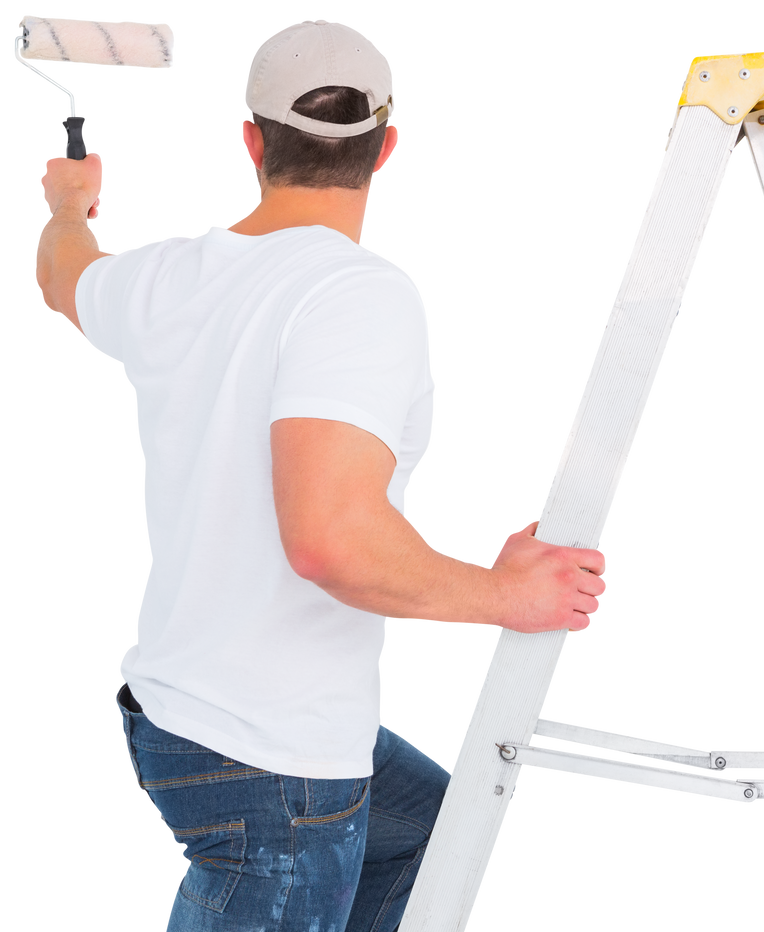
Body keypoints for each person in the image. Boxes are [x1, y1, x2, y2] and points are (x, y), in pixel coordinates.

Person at [45, 18, 608, 931]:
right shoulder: (359, 295)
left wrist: (70, 204)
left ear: (251, 139)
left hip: (172, 712)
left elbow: (61, 274)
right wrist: (507, 595)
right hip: (273, 765)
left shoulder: (168, 276)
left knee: (436, 830)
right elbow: (329, 540)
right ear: (387, 149)